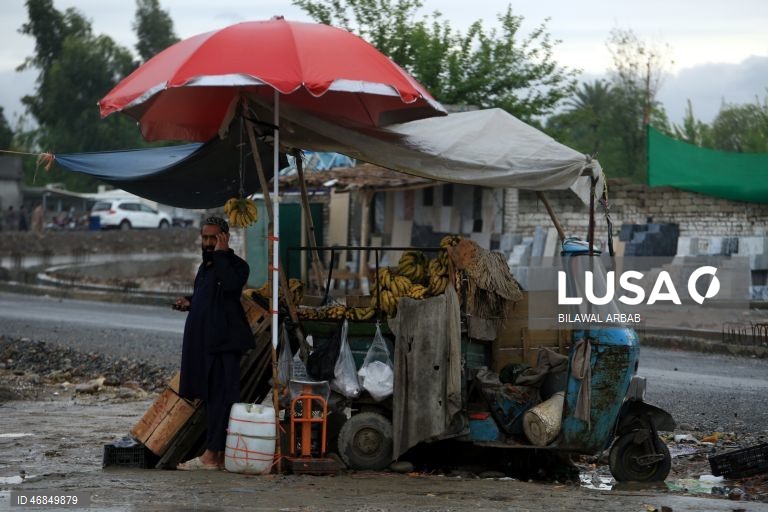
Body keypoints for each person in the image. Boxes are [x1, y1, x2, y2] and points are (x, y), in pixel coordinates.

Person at [173, 216, 254, 470]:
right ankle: (216, 456)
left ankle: (210, 456)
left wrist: (221, 254)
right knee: (210, 399)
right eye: (205, 238)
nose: (208, 243)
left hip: (224, 345)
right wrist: (190, 301)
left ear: (224, 238)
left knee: (222, 399)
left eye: (213, 238)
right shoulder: (205, 268)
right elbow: (207, 298)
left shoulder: (237, 266)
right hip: (205, 345)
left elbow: (230, 287)